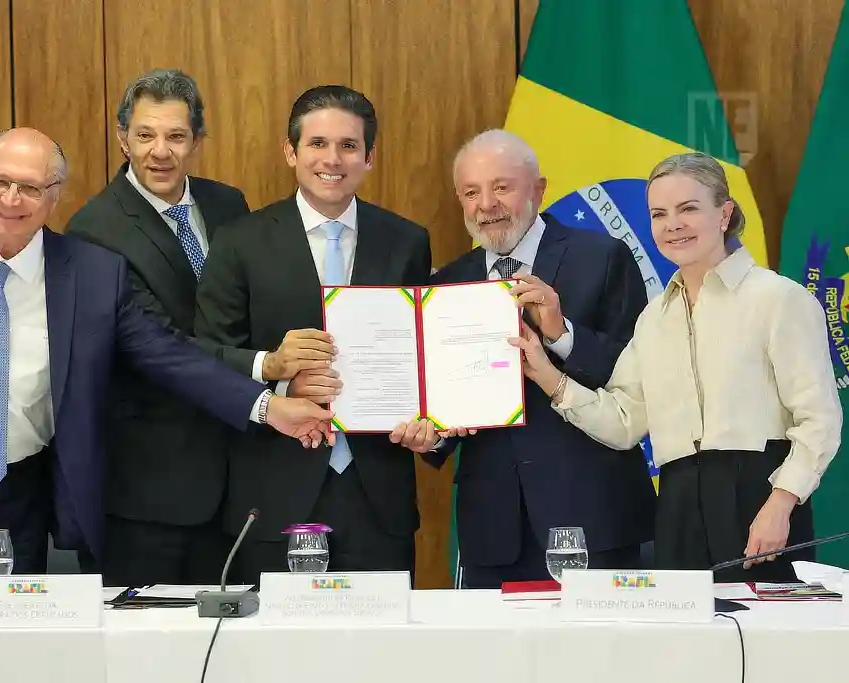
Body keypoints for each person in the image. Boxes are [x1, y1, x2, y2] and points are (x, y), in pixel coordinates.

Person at [0, 127, 332, 591]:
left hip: (16, 497)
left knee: (8, 651)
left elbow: (170, 357)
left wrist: (268, 406)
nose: (10, 199)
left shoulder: (91, 275)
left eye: (30, 188)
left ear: (54, 196)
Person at [511, 151, 843, 582]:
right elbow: (625, 421)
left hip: (760, 497)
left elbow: (819, 418)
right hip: (677, 505)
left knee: (767, 639)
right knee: (687, 644)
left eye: (689, 209)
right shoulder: (654, 320)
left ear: (724, 214)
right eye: (659, 214)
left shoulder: (779, 299)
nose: (673, 225)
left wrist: (782, 503)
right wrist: (548, 376)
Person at [193, 85, 434, 584]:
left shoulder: (407, 241)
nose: (332, 159)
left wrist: (432, 422)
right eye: (317, 144)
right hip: (272, 492)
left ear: (369, 157)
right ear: (291, 152)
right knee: (275, 660)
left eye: (348, 146)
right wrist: (279, 380)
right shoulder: (241, 241)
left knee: (380, 656)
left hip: (377, 494)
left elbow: (422, 353)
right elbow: (207, 355)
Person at [416, 129, 657, 587]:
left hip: (593, 516)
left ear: (539, 189)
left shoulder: (602, 257)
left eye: (502, 186)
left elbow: (635, 374)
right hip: (493, 528)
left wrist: (559, 333)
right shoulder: (446, 284)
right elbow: (445, 410)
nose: (486, 204)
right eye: (472, 192)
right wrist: (431, 436)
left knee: (602, 659)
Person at [65, 69, 258, 586]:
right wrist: (267, 369)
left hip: (237, 475)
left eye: (175, 136)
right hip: (149, 491)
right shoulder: (93, 230)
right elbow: (158, 345)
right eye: (145, 135)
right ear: (122, 137)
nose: (160, 151)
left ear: (197, 139)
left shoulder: (229, 205)